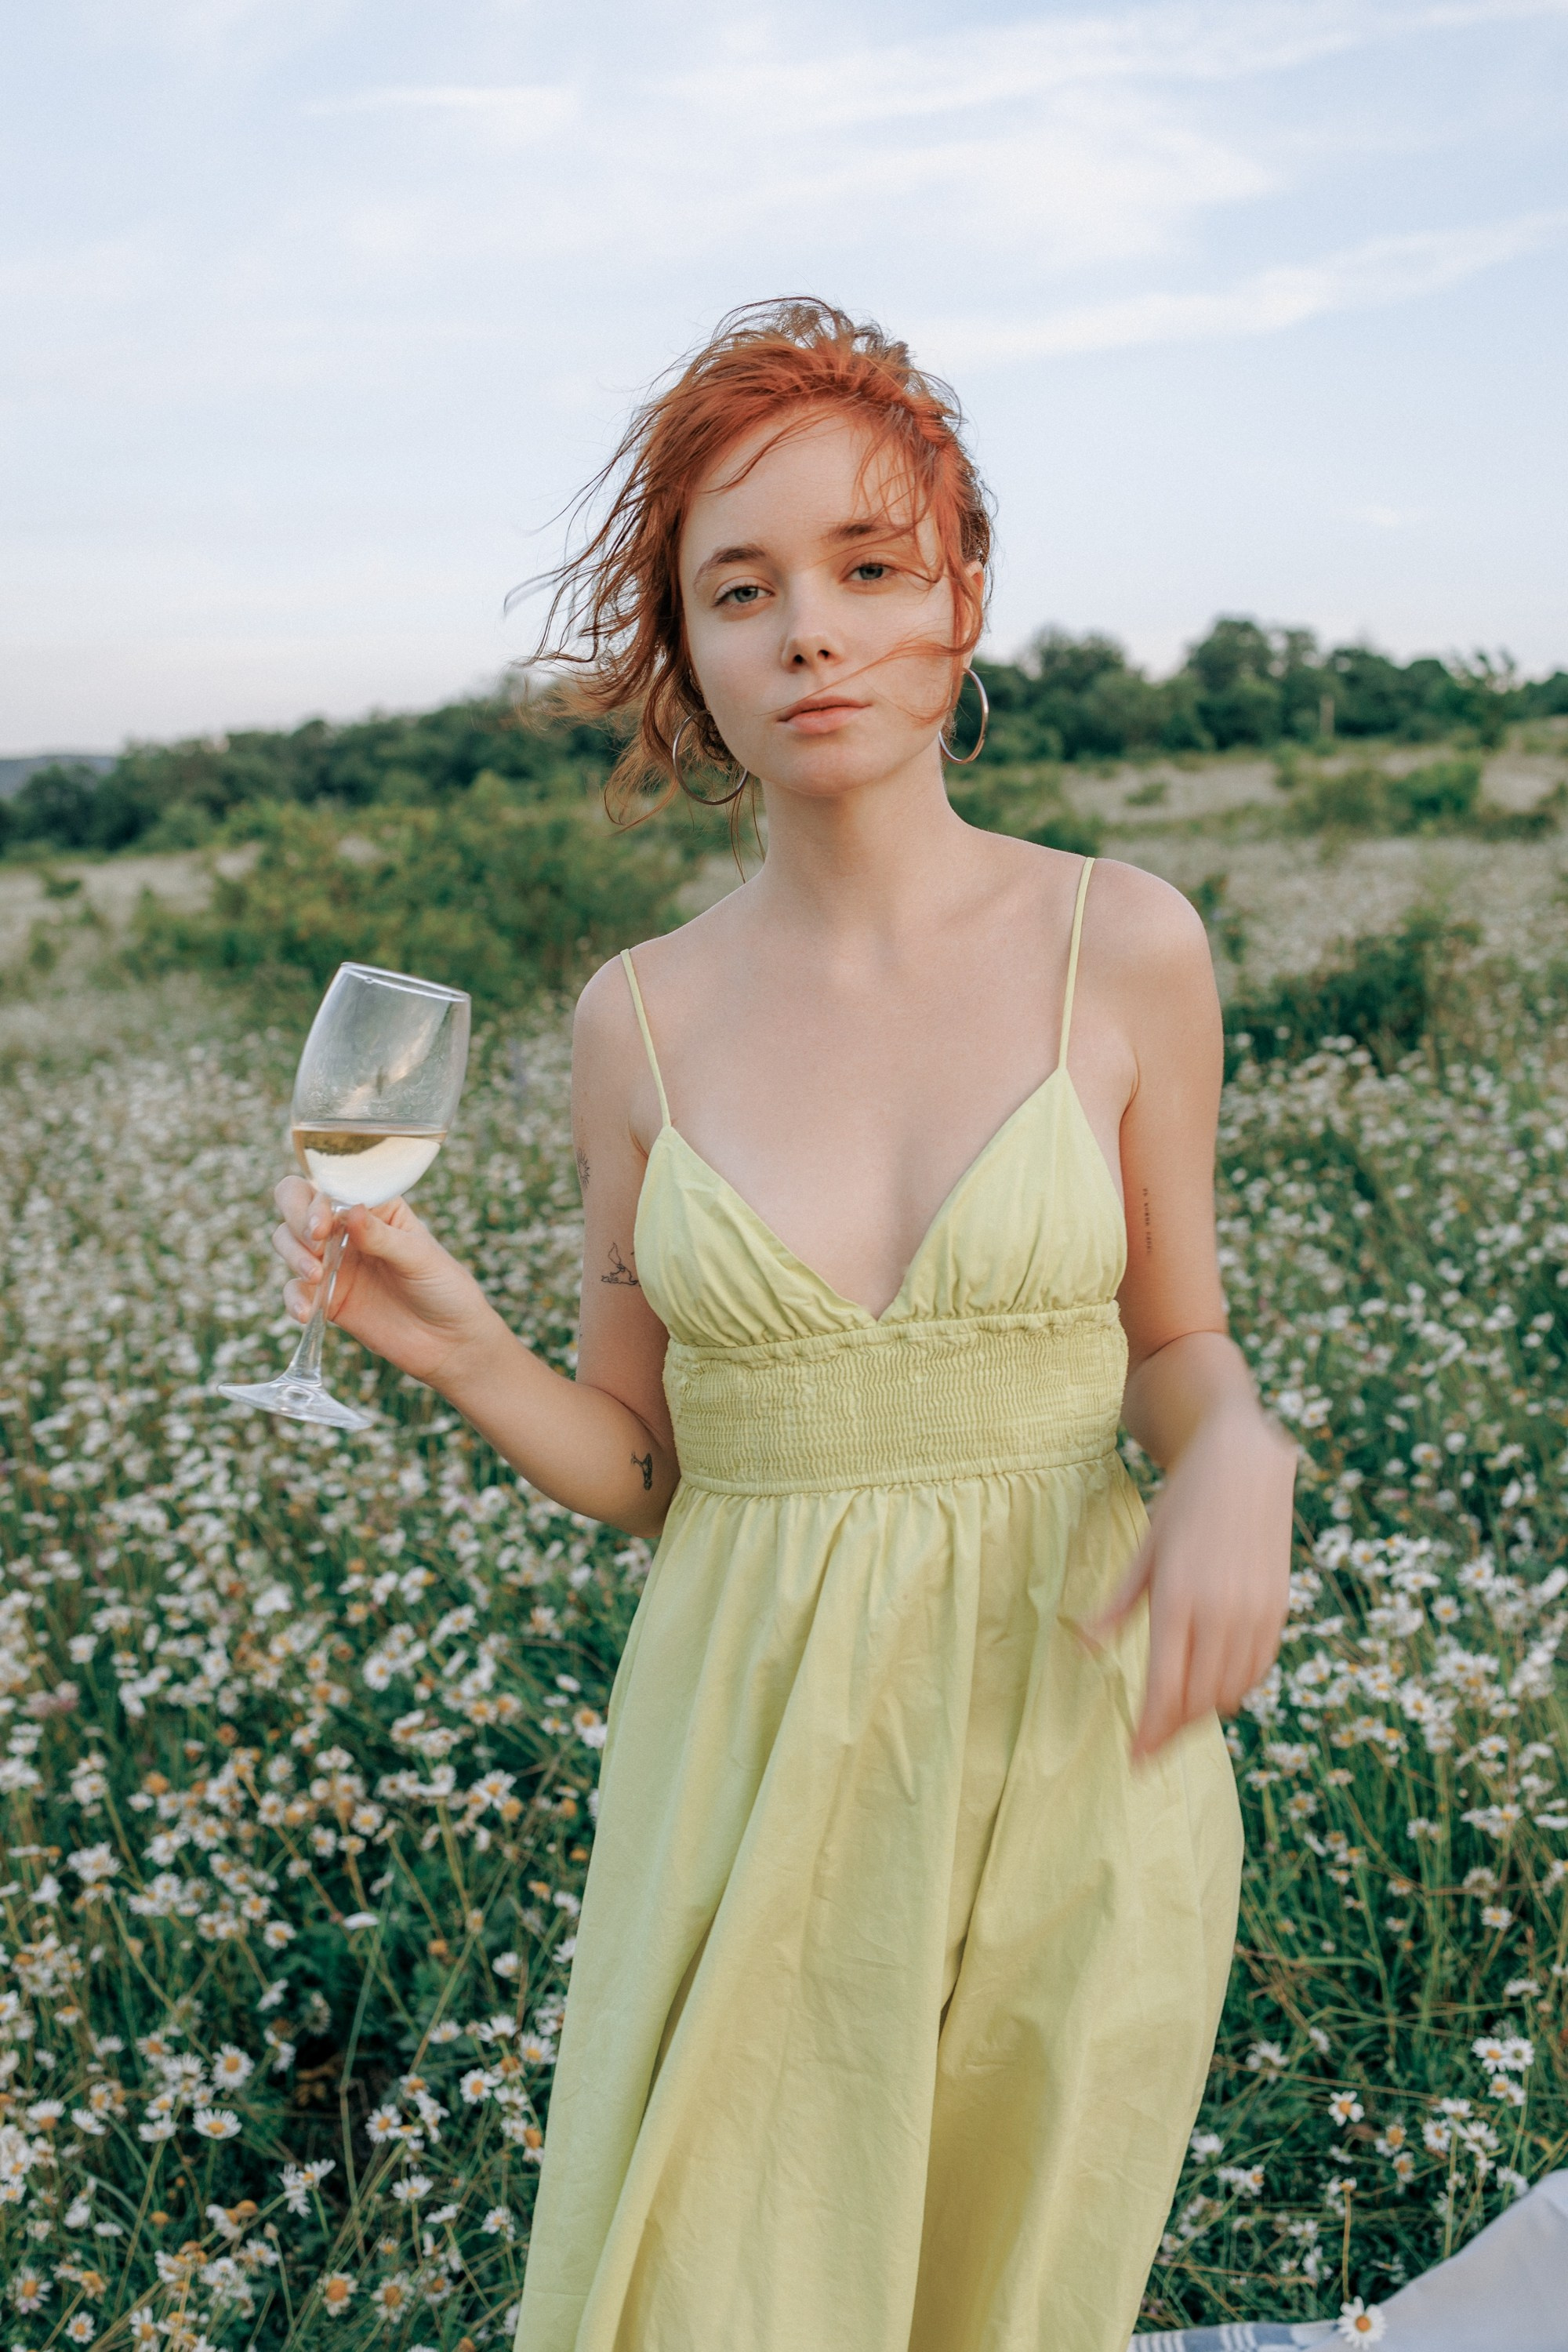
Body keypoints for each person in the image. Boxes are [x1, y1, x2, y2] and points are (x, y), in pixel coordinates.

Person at [272, 298, 1296, 2352]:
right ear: (689, 650)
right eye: (741, 591)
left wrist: (1240, 1455)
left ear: (963, 599)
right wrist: (465, 1350)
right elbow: (655, 1473)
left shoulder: (1128, 946)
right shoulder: (634, 1024)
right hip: (745, 1774)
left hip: (1072, 1759)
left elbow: (1177, 1347)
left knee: (1011, 2303)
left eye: (866, 567)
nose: (809, 634)